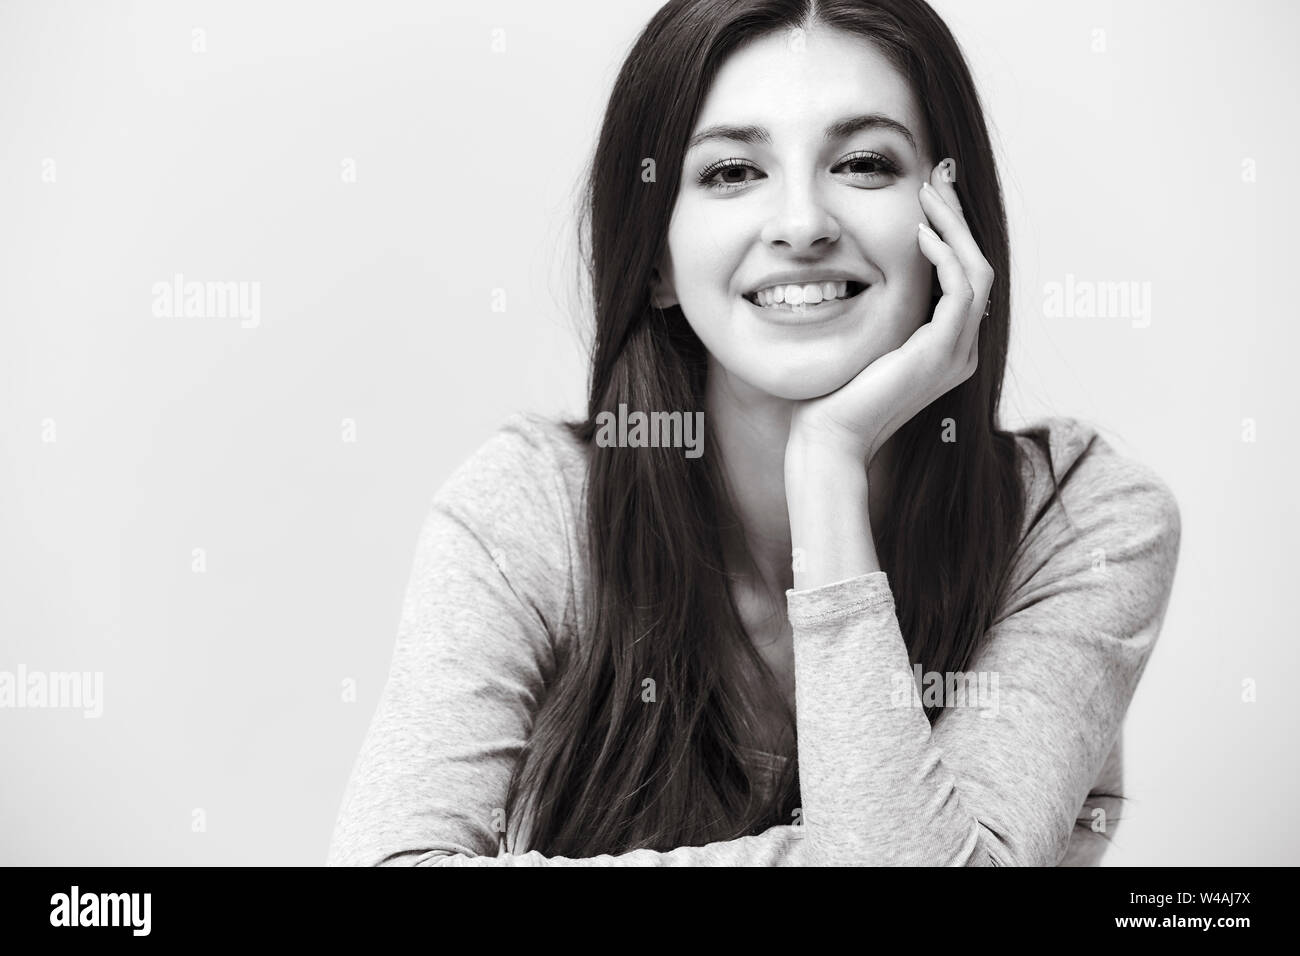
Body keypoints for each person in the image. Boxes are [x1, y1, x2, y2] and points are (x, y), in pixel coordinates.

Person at [327, 0, 1181, 866]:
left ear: (951, 226)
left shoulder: (1083, 522)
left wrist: (828, 464)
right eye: (734, 172)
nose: (802, 223)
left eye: (862, 162)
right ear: (656, 260)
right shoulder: (530, 511)